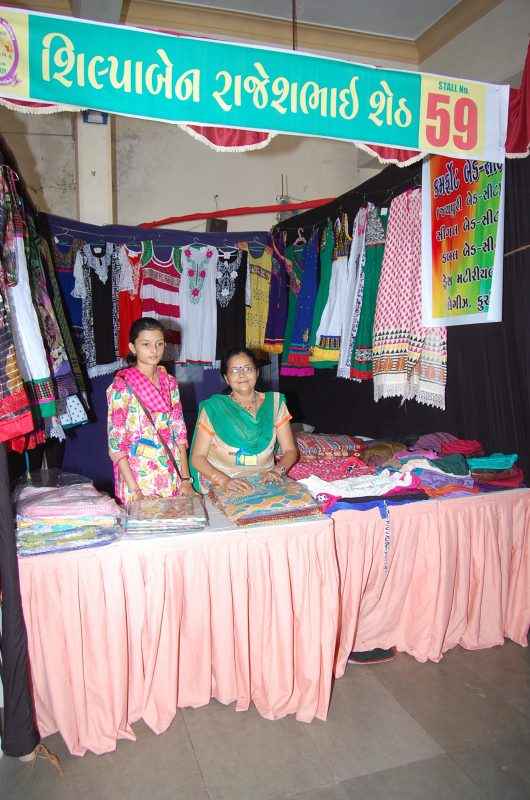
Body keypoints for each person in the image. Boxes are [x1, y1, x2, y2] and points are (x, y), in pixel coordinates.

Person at [107, 317, 195, 503]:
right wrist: (136, 492)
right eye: (146, 344)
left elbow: (179, 432)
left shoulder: (169, 382)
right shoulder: (121, 386)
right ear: (133, 347)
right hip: (138, 477)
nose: (154, 350)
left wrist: (185, 479)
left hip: (170, 472)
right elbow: (116, 444)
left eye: (159, 343)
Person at [190, 347, 298, 493]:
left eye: (248, 368)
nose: (242, 375)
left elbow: (290, 450)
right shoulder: (214, 408)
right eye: (234, 370)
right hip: (220, 483)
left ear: (257, 372)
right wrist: (223, 480)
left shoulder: (274, 403)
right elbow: (198, 457)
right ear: (226, 378)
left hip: (265, 481)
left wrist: (277, 471)